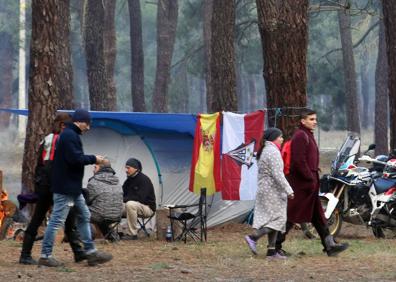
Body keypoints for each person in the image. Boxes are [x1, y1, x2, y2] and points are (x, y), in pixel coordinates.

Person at [38, 109, 112, 267]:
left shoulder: (70, 135)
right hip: (65, 188)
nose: (89, 127)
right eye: (88, 124)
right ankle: (45, 255)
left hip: (72, 187)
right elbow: (75, 159)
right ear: (80, 121)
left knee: (84, 215)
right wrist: (95, 159)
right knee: (56, 221)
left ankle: (91, 253)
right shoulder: (70, 136)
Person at [276, 109, 349, 256]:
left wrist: (314, 171)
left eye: (315, 119)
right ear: (302, 121)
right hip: (301, 185)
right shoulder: (300, 136)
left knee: (318, 216)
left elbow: (307, 158)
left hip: (310, 184)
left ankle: (329, 246)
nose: (315, 121)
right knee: (291, 216)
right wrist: (310, 177)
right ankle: (274, 247)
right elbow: (298, 161)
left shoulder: (307, 134)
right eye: (311, 119)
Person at [19, 113, 85, 265]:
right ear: (63, 126)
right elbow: (50, 166)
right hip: (51, 185)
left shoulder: (50, 138)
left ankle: (78, 252)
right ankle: (25, 255)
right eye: (69, 126)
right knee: (42, 217)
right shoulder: (57, 139)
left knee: (68, 217)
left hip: (48, 184)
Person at [244, 128, 294, 259]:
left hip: (265, 190)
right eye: (280, 137)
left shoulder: (265, 150)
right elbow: (278, 175)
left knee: (272, 219)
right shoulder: (273, 152)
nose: (282, 139)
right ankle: (253, 237)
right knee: (278, 219)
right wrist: (289, 190)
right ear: (273, 138)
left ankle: (271, 252)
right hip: (272, 191)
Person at [84, 159, 123, 242]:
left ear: (101, 168)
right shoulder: (117, 181)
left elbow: (87, 201)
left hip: (99, 215)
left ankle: (88, 234)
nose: (93, 169)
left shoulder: (93, 182)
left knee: (80, 209)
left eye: (95, 167)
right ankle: (112, 236)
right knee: (101, 211)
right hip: (117, 216)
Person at [122, 158, 156, 240]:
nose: (126, 170)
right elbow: (122, 194)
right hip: (134, 206)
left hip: (148, 208)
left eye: (128, 168)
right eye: (126, 168)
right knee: (113, 206)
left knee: (130, 204)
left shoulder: (144, 179)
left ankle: (132, 234)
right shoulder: (128, 180)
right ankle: (111, 232)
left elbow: (141, 198)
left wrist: (125, 199)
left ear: (136, 168)